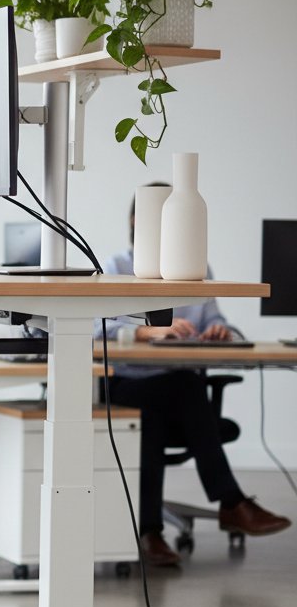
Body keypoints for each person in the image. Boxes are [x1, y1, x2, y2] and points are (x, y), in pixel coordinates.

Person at [97, 190, 291, 567]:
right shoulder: (118, 263)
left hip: (170, 401)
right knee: (183, 385)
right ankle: (231, 502)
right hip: (124, 385)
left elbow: (215, 319)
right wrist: (145, 332)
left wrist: (219, 331)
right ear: (137, 221)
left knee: (157, 414)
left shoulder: (196, 268)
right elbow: (96, 326)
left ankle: (150, 532)